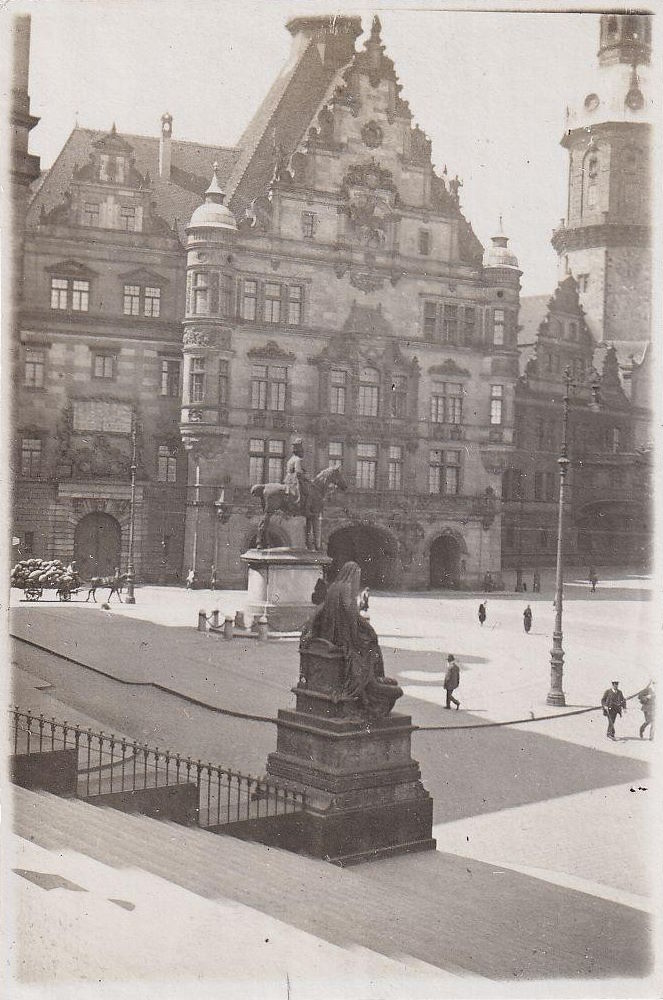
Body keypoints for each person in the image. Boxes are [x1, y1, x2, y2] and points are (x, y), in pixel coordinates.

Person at [300, 561, 401, 717]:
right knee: (370, 646)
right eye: (357, 576)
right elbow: (350, 613)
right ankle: (370, 681)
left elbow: (323, 609)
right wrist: (367, 628)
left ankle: (372, 681)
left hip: (331, 636)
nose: (357, 580)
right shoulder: (347, 588)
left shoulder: (333, 587)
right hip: (344, 638)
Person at [283, 437, 310, 511]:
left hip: (288, 479)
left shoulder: (291, 459)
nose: (303, 453)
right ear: (299, 452)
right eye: (302, 452)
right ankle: (302, 506)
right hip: (294, 479)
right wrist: (306, 477)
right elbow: (298, 471)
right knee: (306, 491)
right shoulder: (298, 459)